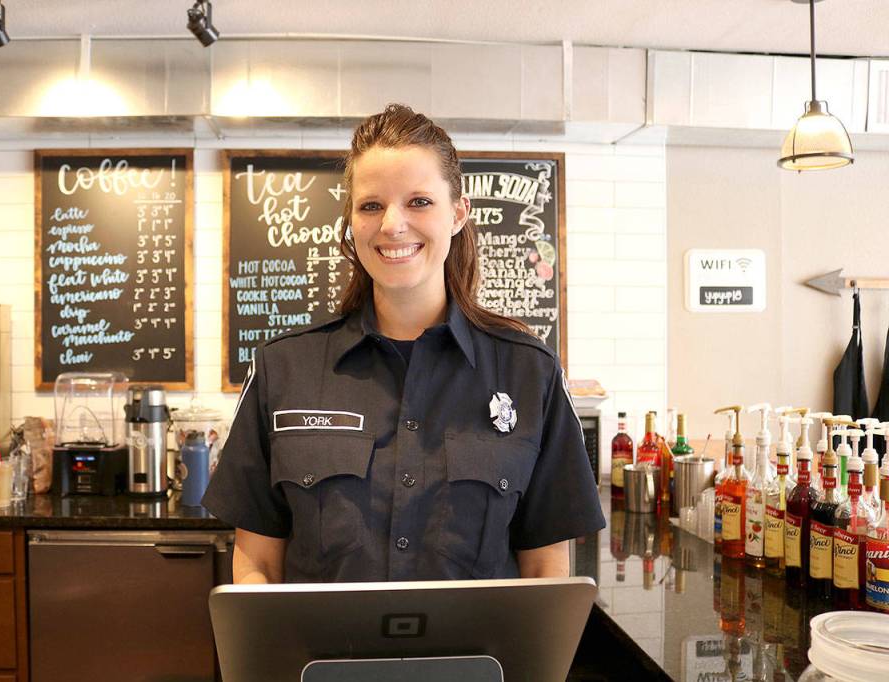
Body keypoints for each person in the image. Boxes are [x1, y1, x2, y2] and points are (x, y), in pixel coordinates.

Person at [204, 104, 604, 584]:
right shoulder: (283, 368)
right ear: (352, 221)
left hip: (480, 661)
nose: (392, 225)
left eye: (419, 202)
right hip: (321, 660)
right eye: (371, 205)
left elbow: (546, 569)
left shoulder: (528, 372)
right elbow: (258, 563)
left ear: (458, 214)